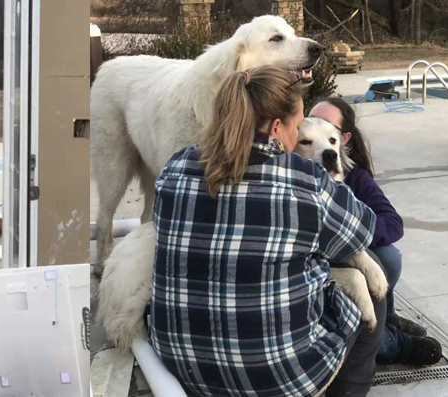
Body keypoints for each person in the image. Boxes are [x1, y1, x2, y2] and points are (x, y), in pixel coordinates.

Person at [148, 65, 385, 397]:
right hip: (273, 377)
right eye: (298, 126)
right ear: (277, 127)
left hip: (179, 366)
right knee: (371, 285)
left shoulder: (176, 167)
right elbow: (362, 232)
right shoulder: (304, 179)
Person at [309, 97, 441, 366]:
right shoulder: (285, 178)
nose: (320, 139)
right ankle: (394, 343)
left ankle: (386, 319)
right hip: (311, 287)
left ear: (344, 139)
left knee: (385, 257)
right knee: (348, 333)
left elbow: (392, 223)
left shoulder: (354, 176)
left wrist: (348, 237)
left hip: (340, 270)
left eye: (329, 132)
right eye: (309, 128)